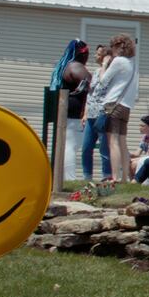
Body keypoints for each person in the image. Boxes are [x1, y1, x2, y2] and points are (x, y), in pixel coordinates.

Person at [96, 34, 139, 184]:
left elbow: (103, 81)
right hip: (126, 106)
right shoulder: (132, 63)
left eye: (113, 47)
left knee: (112, 142)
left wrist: (104, 64)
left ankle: (115, 177)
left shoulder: (119, 61)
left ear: (118, 47)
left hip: (113, 105)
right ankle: (125, 177)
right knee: (122, 142)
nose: (112, 50)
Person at [80, 45, 113, 183]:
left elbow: (104, 84)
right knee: (86, 147)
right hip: (91, 114)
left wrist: (106, 64)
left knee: (104, 148)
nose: (95, 56)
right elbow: (90, 94)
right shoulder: (95, 71)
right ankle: (87, 177)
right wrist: (85, 113)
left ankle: (107, 175)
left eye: (99, 54)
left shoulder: (110, 72)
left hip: (103, 113)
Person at [59, 41, 91, 181]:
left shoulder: (64, 65)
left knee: (68, 146)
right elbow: (92, 83)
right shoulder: (75, 66)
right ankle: (69, 178)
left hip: (66, 113)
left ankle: (65, 177)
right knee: (70, 147)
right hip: (72, 115)